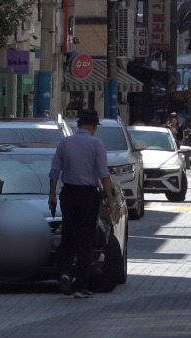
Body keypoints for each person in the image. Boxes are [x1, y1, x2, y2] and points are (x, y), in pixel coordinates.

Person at [48, 109, 113, 299]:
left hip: (68, 194)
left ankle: (65, 272)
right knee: (85, 239)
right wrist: (109, 198)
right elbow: (103, 174)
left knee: (68, 235)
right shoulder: (96, 144)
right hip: (87, 195)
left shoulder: (65, 143)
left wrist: (52, 193)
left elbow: (54, 172)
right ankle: (81, 285)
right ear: (94, 126)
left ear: (78, 124)